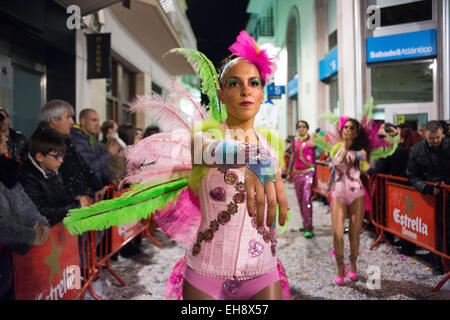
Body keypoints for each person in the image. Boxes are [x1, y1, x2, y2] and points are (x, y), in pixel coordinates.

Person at [63, 30, 290, 300]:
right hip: (207, 272)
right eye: (234, 83)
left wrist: (264, 160)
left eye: (254, 83)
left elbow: (271, 216)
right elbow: (213, 152)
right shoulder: (204, 139)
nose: (245, 90)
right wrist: (253, 156)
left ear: (263, 92)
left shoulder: (271, 150)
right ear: (220, 92)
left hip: (262, 272)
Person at [0, 133, 50, 300]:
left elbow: (26, 203)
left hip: (8, 260)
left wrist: (41, 224)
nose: (6, 138)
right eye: (0, 134)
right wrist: (30, 236)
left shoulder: (7, 169)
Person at [31, 100, 106, 202]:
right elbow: (51, 182)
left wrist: (97, 185)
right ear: (54, 120)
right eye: (68, 117)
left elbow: (81, 164)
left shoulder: (66, 139)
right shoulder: (41, 143)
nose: (72, 122)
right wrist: (73, 199)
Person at [18, 129, 90, 226]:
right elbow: (41, 210)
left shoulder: (52, 169)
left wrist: (74, 199)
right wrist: (76, 206)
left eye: (62, 156)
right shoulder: (27, 177)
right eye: (56, 157)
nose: (61, 161)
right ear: (40, 157)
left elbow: (60, 197)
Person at [330, 118, 370, 285]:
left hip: (356, 194)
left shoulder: (360, 151)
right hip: (338, 193)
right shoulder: (337, 148)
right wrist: (328, 188)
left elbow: (362, 157)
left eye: (351, 128)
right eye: (345, 127)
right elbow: (334, 167)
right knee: (337, 233)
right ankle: (341, 267)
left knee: (354, 233)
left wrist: (353, 154)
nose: (347, 129)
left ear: (356, 132)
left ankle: (353, 263)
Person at [407, 120, 450, 274]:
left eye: (438, 137)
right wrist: (427, 188)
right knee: (435, 231)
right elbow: (412, 176)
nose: (435, 141)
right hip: (429, 197)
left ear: (442, 134)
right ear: (425, 135)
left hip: (448, 194)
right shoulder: (416, 150)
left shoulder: (448, 146)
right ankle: (438, 263)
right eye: (432, 138)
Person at [71, 109, 118, 186]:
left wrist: (111, 179)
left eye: (98, 121)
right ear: (82, 121)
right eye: (93, 120)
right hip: (84, 190)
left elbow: (100, 166)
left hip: (95, 189)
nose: (97, 124)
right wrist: (108, 153)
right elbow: (88, 167)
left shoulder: (92, 139)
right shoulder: (77, 140)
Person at [287, 120, 316, 238]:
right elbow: (293, 156)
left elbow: (321, 146)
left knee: (307, 199)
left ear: (307, 129)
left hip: (309, 174)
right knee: (300, 200)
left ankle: (309, 226)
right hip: (297, 174)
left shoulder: (312, 141)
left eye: (304, 127)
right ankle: (305, 221)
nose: (302, 129)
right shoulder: (295, 141)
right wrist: (289, 172)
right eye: (299, 127)